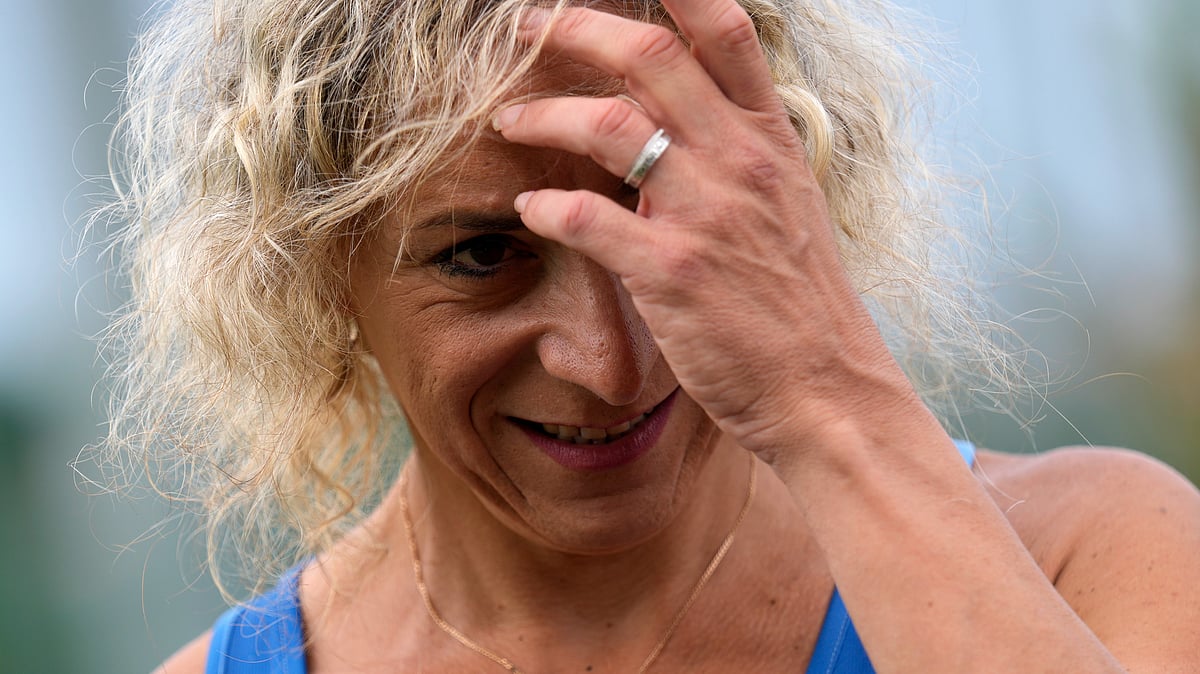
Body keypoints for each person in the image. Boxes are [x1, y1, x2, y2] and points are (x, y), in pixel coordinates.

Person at [92, 0, 1199, 671]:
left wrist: (831, 403)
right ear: (315, 270)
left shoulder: (1087, 557)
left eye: (663, 225)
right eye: (484, 253)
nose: (609, 361)